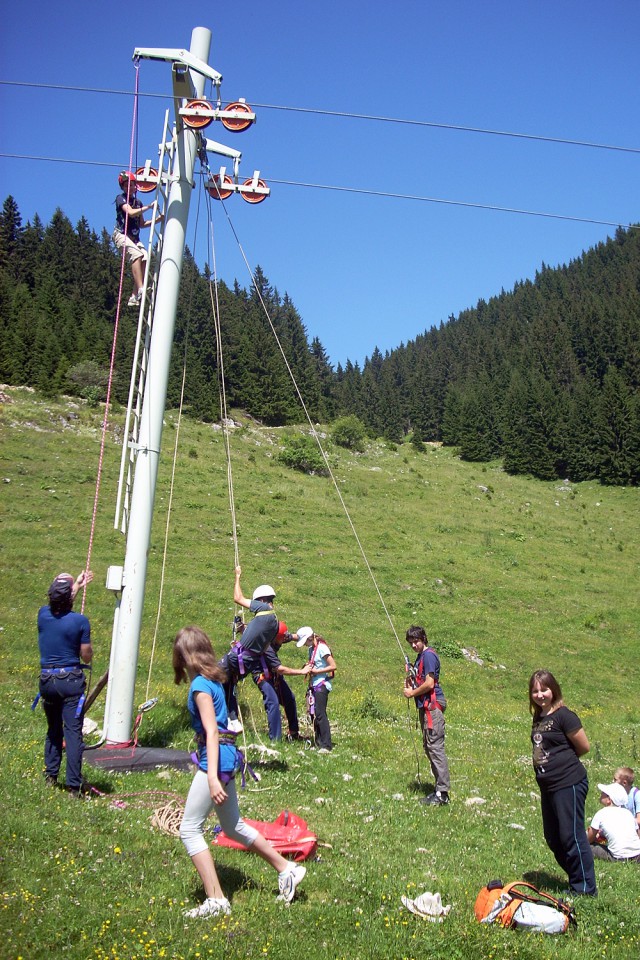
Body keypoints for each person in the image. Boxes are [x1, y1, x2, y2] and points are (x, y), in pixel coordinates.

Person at [173, 625, 306, 918]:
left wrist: (210, 778)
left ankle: (217, 900)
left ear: (185, 656)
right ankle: (287, 869)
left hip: (216, 759)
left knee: (190, 829)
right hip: (229, 756)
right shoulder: (213, 681)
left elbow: (211, 731)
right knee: (233, 826)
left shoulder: (199, 687)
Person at [529, 669, 597, 896]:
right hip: (548, 786)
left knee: (572, 836)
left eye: (544, 690)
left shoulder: (565, 716)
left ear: (553, 690)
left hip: (569, 782)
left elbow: (583, 747)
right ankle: (577, 877)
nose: (540, 695)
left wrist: (562, 763)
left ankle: (585, 889)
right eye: (535, 691)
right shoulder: (539, 717)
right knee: (553, 837)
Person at [37, 569, 94, 795]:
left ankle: (51, 775)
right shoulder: (80, 622)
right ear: (69, 599)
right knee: (72, 732)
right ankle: (73, 785)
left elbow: (59, 604)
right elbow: (86, 655)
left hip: (47, 681)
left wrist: (76, 586)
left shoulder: (42, 615)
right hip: (70, 680)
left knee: (53, 729)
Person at [403, 625, 450, 805]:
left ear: (423, 639)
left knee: (435, 747)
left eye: (416, 641)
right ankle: (438, 789)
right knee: (429, 746)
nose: (414, 645)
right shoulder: (420, 657)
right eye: (411, 643)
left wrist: (412, 693)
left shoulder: (429, 655)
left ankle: (442, 793)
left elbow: (430, 683)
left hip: (432, 706)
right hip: (426, 706)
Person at [113, 171, 159, 307]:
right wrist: (149, 207)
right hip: (121, 235)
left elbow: (141, 223)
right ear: (123, 187)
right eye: (127, 185)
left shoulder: (137, 202)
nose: (130, 187)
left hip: (134, 238)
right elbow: (131, 213)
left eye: (132, 185)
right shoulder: (121, 199)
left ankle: (134, 296)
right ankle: (140, 289)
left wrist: (157, 220)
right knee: (136, 255)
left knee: (145, 257)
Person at [296, 627, 336, 753]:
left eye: (305, 641)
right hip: (314, 684)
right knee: (313, 714)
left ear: (309, 638)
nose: (305, 645)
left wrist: (317, 671)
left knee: (320, 714)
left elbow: (333, 666)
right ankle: (319, 742)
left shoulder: (322, 648)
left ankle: (326, 745)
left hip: (322, 684)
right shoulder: (311, 649)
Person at [586, 782, 640, 862]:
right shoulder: (627, 813)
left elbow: (590, 838)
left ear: (609, 800)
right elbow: (637, 834)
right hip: (637, 855)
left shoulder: (601, 813)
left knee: (586, 846)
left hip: (619, 857)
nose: (601, 794)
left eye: (603, 793)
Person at [613, 766, 640, 834]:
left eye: (615, 780)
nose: (613, 782)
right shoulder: (618, 794)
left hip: (635, 831)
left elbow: (639, 820)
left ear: (624, 783)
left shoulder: (636, 795)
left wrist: (622, 822)